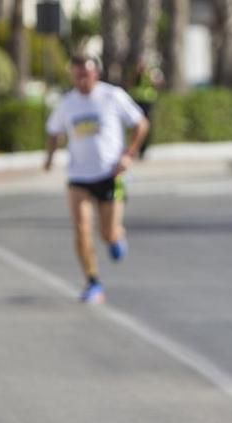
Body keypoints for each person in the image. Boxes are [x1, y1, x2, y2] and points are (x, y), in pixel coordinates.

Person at [44, 53, 150, 304]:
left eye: (86, 74)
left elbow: (141, 124)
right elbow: (53, 131)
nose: (82, 79)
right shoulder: (67, 103)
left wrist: (129, 154)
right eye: (77, 74)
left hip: (111, 175)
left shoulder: (112, 96)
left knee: (107, 233)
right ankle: (92, 282)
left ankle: (115, 237)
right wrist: (49, 157)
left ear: (96, 74)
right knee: (81, 229)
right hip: (79, 176)